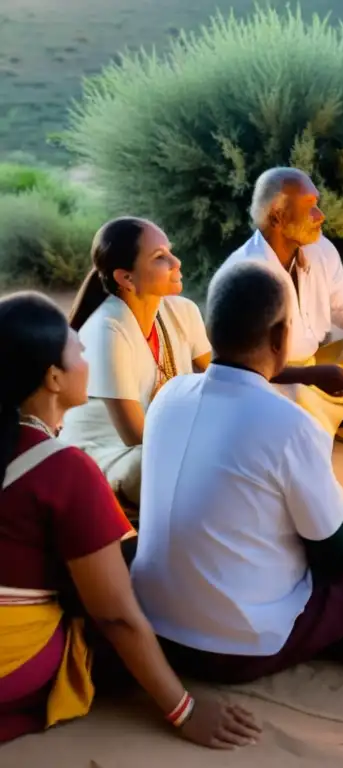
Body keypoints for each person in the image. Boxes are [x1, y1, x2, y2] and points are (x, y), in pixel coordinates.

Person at [130, 260, 343, 684]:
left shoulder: (168, 395)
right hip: (234, 651)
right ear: (279, 338)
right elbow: (337, 555)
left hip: (153, 628)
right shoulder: (289, 423)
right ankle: (335, 630)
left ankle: (340, 628)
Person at [0, 292, 259, 747]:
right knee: (169, 610)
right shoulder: (64, 468)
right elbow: (115, 615)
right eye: (77, 349)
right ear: (53, 378)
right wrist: (185, 711)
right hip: (12, 664)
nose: (87, 357)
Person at [216, 167, 343, 434]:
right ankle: (337, 411)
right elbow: (244, 370)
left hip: (314, 366)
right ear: (278, 216)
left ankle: (331, 411)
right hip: (276, 380)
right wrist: (312, 376)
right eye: (310, 207)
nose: (320, 215)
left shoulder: (320, 249)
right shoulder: (246, 273)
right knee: (291, 396)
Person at [61, 218, 211, 512]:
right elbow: (136, 436)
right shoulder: (107, 329)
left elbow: (223, 379)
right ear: (126, 278)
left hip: (164, 446)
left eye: (170, 251)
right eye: (160, 258)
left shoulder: (184, 312)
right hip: (114, 456)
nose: (176, 262)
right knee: (171, 462)